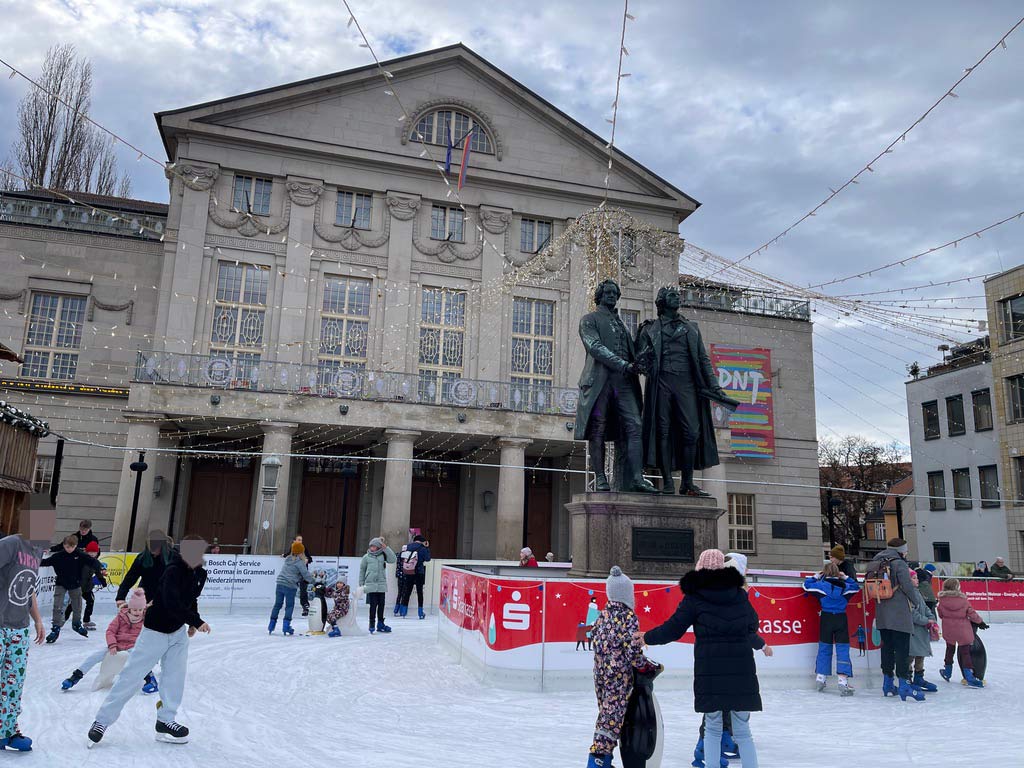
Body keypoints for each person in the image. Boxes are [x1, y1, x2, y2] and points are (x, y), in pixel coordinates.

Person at [642, 549, 773, 768]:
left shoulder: (695, 597)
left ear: (700, 568)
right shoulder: (740, 595)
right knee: (743, 730)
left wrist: (647, 637)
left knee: (712, 728)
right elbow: (752, 624)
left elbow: (673, 629)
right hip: (741, 670)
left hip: (711, 672)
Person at [88, 536, 211, 746]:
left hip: (177, 633)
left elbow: (191, 599)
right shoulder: (173, 571)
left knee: (174, 678)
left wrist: (192, 622)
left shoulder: (200, 573)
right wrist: (196, 621)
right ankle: (102, 721)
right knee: (131, 676)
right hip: (154, 631)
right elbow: (171, 602)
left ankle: (166, 720)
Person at [574, 279, 658, 493]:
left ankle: (637, 477)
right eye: (608, 292)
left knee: (635, 425)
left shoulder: (621, 324)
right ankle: (600, 477)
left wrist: (645, 339)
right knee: (598, 428)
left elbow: (632, 353)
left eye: (614, 293)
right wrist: (623, 365)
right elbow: (595, 347)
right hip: (599, 382)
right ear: (599, 296)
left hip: (624, 382)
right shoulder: (589, 320)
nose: (612, 295)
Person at [586, 566, 658, 768]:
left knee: (606, 716)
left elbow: (596, 642)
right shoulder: (628, 617)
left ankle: (604, 759)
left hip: (600, 674)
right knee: (611, 718)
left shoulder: (602, 616)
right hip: (618, 677)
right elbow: (632, 651)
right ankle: (598, 760)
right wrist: (644, 666)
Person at [0, 510, 51, 752]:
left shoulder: (37, 551)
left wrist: (37, 619)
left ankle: (6, 731)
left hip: (20, 628)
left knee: (13, 684)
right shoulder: (11, 544)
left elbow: (28, 588)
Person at [868, 537, 926, 701]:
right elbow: (907, 586)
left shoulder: (876, 560)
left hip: (882, 611)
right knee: (902, 649)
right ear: (901, 550)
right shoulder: (899, 563)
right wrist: (916, 602)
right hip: (899, 613)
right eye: (906, 550)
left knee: (887, 647)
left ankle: (887, 684)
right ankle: (904, 686)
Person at [61, 588, 148, 690]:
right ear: (129, 608)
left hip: (133, 647)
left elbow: (148, 636)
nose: (137, 612)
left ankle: (150, 679)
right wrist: (112, 645)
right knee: (95, 656)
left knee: (139, 659)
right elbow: (110, 631)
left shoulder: (146, 620)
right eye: (135, 610)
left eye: (140, 610)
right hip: (116, 645)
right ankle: (76, 676)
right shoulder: (121, 617)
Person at [803, 562, 860, 695]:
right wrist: (845, 577)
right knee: (842, 649)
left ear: (825, 573)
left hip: (826, 618)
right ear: (837, 573)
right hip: (841, 618)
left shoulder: (821, 586)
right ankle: (842, 681)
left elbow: (806, 585)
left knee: (824, 647)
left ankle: (820, 678)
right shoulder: (845, 587)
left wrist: (816, 576)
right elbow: (856, 587)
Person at [41, 535, 106, 643]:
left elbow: (93, 561)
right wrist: (30, 560)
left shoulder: (80, 555)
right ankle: (55, 628)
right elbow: (45, 562)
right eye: (67, 547)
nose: (69, 549)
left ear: (75, 546)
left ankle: (76, 624)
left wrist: (101, 568)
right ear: (64, 545)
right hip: (61, 583)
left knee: (77, 605)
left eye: (72, 547)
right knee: (57, 606)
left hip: (75, 584)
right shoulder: (58, 556)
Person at [937, 578, 987, 688]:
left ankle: (947, 672)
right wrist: (980, 622)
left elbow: (940, 614)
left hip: (949, 629)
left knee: (949, 650)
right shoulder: (963, 600)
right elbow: (972, 613)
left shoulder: (942, 601)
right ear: (957, 587)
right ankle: (969, 677)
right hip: (963, 630)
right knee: (965, 653)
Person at [269, 541, 312, 636]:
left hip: (280, 583)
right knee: (289, 606)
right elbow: (306, 575)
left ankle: (271, 625)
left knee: (277, 605)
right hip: (290, 586)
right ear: (301, 552)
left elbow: (293, 572)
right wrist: (314, 581)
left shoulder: (288, 559)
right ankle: (286, 626)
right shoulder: (300, 562)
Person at [63, 540, 106, 631]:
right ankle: (63, 619)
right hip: (78, 586)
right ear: (87, 552)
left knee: (90, 601)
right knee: (74, 604)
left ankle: (86, 620)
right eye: (90, 552)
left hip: (87, 587)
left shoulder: (96, 562)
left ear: (97, 553)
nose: (92, 554)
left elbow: (98, 573)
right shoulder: (82, 560)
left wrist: (102, 581)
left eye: (94, 552)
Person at [907, 570, 938, 692]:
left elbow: (924, 608)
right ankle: (908, 678)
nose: (917, 580)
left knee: (921, 654)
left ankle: (919, 677)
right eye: (914, 578)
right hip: (913, 630)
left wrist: (931, 618)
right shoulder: (907, 593)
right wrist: (926, 621)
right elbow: (912, 613)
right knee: (911, 655)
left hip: (921, 630)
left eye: (916, 578)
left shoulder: (917, 592)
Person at [359, 537, 396, 634]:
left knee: (381, 605)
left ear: (378, 547)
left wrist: (385, 548)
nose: (372, 548)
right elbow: (362, 570)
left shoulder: (383, 555)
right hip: (370, 584)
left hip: (381, 584)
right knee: (373, 605)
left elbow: (393, 559)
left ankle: (380, 623)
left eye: (374, 546)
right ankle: (371, 623)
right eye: (371, 546)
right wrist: (361, 583)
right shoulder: (366, 557)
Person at [398, 535, 431, 619]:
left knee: (407, 591)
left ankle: (404, 611)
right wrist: (427, 548)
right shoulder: (422, 548)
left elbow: (401, 558)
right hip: (419, 572)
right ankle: (420, 612)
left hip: (408, 571)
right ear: (422, 541)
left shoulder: (407, 547)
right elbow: (427, 559)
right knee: (420, 592)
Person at [282, 535, 314, 617]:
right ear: (294, 541)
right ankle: (289, 606)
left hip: (303, 573)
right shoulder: (292, 549)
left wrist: (307, 560)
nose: (300, 541)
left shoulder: (304, 548)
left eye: (301, 540)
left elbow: (310, 558)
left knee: (303, 590)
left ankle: (305, 606)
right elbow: (288, 555)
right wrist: (284, 555)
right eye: (298, 540)